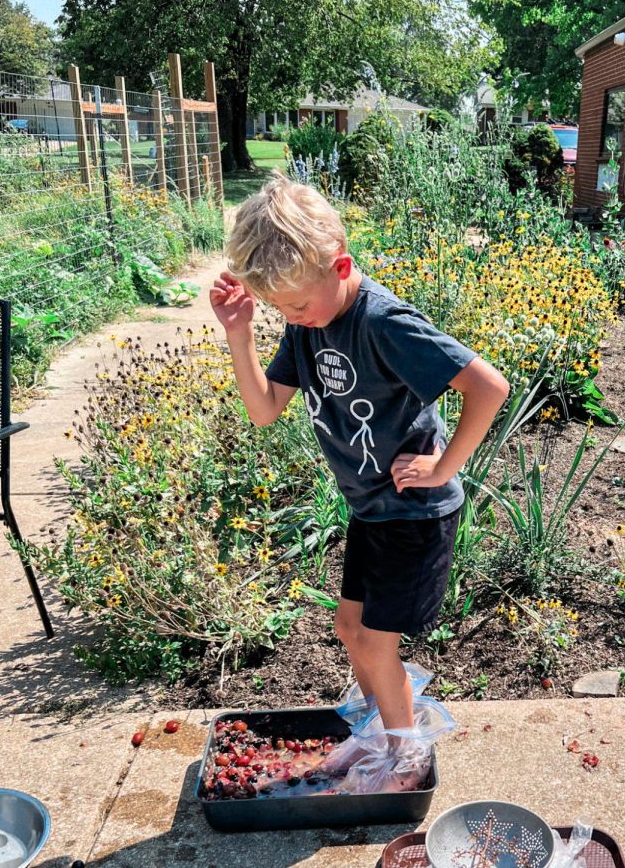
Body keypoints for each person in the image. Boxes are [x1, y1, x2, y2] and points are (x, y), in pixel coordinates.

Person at [210, 172, 509, 731]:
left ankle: (402, 756)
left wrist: (444, 467)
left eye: (297, 304)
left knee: (373, 645)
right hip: (372, 508)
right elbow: (265, 407)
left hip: (413, 512)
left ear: (340, 265)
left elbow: (489, 388)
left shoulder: (383, 322)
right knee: (349, 630)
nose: (293, 318)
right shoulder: (309, 323)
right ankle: (380, 730)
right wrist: (240, 332)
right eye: (279, 308)